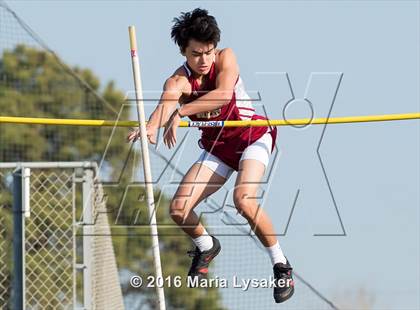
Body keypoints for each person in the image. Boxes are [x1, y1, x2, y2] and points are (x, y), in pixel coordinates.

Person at [127, 8, 294, 303]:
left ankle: (281, 265)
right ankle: (206, 245)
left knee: (243, 199)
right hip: (218, 149)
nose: (204, 61)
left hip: (252, 137)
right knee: (178, 209)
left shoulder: (226, 57)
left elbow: (222, 95)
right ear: (183, 52)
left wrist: (181, 111)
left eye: (208, 52)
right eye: (196, 54)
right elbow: (166, 103)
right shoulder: (178, 81)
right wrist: (150, 125)